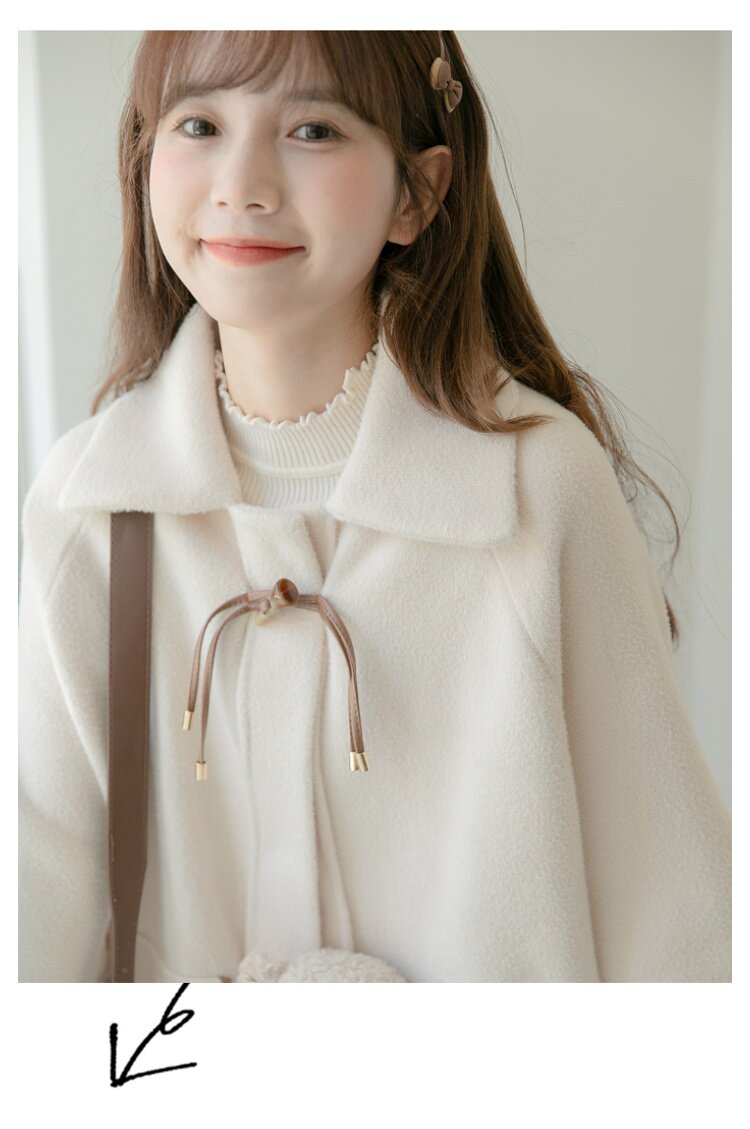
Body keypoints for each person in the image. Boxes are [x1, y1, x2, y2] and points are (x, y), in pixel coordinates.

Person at [18, 30, 731, 983]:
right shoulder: (87, 511)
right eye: (200, 124)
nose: (242, 184)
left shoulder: (539, 491)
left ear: (418, 194)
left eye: (312, 128)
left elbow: (679, 931)